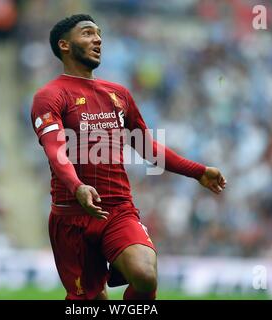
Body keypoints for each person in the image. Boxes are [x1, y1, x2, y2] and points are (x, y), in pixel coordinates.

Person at [31, 14, 227, 300]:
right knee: (90, 301)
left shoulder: (118, 94)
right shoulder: (50, 96)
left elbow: (148, 148)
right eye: (87, 33)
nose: (97, 39)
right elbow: (54, 149)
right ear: (64, 45)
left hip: (118, 210)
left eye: (99, 34)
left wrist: (197, 171)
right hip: (72, 216)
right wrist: (78, 187)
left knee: (145, 276)